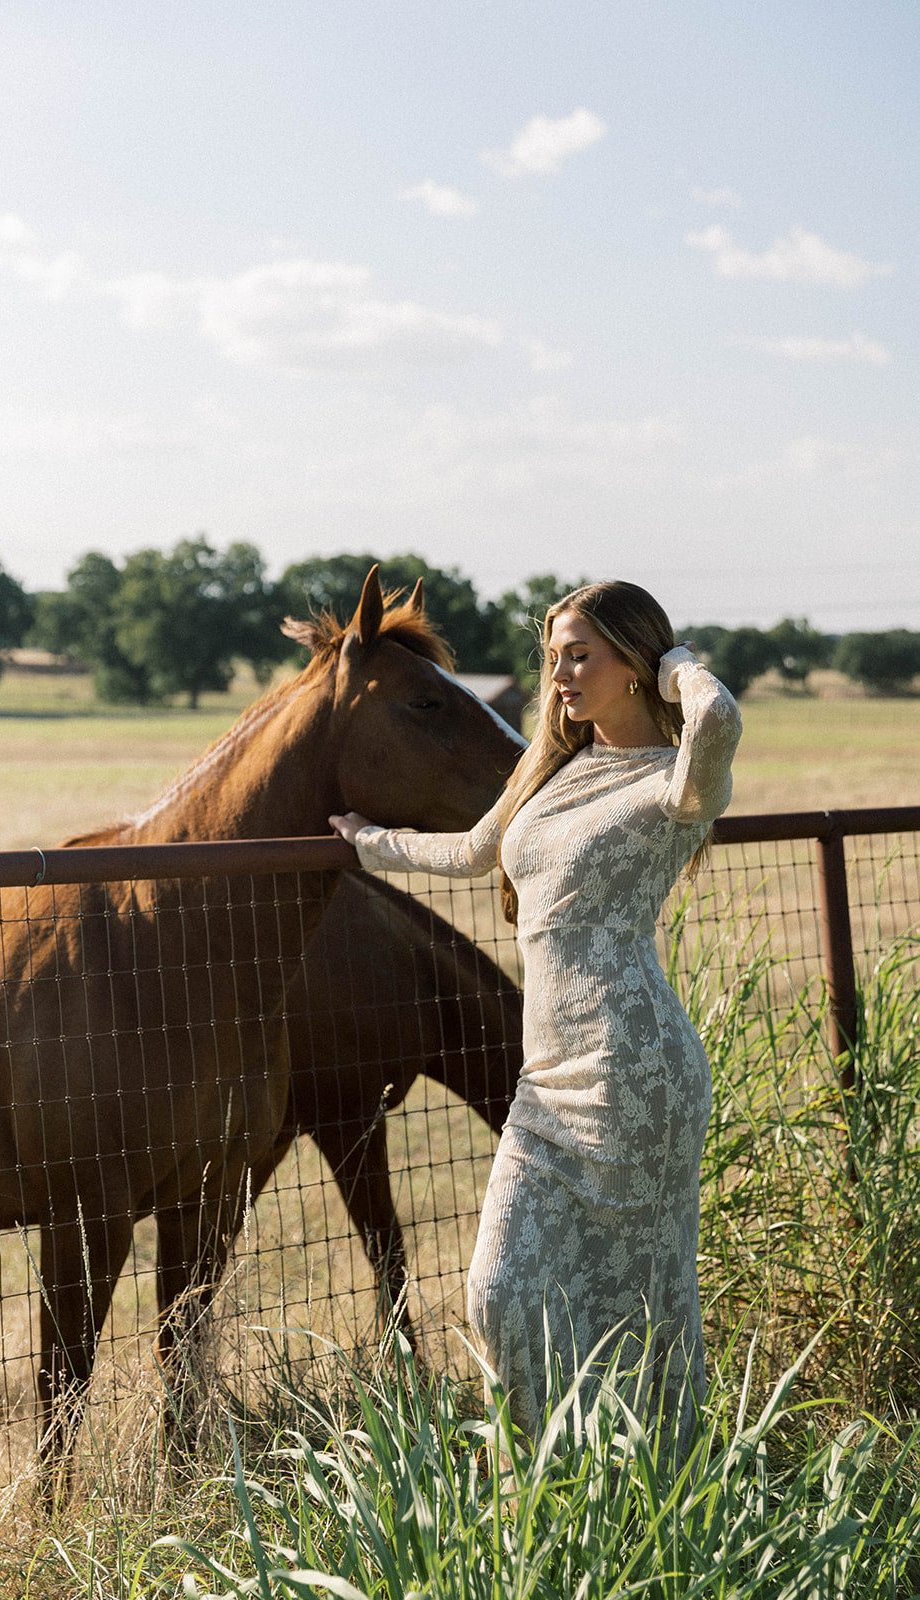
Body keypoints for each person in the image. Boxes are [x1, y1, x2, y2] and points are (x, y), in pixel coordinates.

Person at [330, 579, 742, 1445]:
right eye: (553, 655)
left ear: (634, 665)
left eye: (579, 655)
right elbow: (475, 851)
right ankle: (547, 1475)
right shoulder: (554, 767)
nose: (558, 674)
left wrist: (681, 667)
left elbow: (716, 722)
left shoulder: (675, 783)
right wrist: (367, 841)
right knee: (499, 1291)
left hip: (635, 1076)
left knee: (642, 1303)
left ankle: (653, 1480)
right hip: (547, 1080)